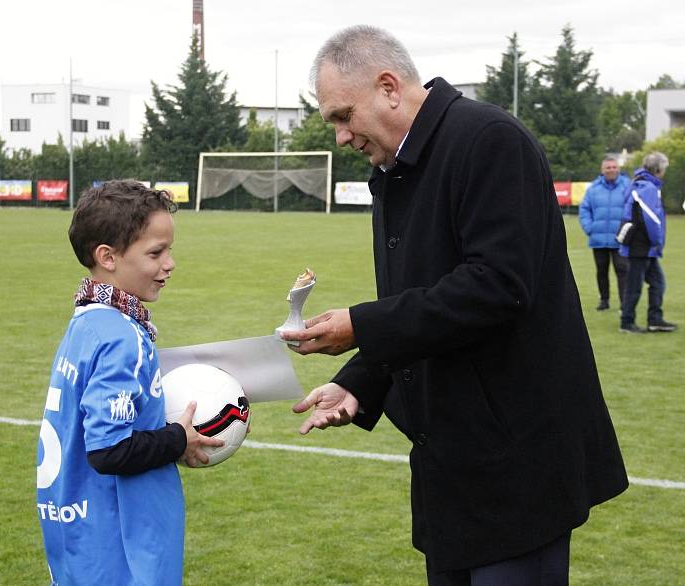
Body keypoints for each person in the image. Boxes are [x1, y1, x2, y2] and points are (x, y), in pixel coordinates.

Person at [280, 25, 628, 585]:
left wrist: (362, 327)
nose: (342, 137)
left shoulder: (488, 139)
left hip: (516, 468)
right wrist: (360, 381)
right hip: (452, 471)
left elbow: (497, 286)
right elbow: (420, 304)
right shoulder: (393, 170)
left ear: (389, 86)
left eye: (343, 115)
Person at [36, 180, 222, 585]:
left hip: (79, 533)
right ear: (107, 256)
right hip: (119, 544)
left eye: (169, 250)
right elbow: (109, 450)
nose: (169, 263)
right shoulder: (121, 336)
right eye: (156, 253)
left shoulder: (85, 322)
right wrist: (178, 439)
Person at [617, 152, 678, 333]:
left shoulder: (639, 183)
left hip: (641, 245)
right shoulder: (648, 188)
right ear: (658, 169)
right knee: (635, 286)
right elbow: (650, 218)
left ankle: (655, 319)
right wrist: (657, 241)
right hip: (642, 245)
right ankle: (627, 322)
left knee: (657, 283)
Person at [579, 157, 630, 310]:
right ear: (602, 170)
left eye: (614, 167)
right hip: (598, 238)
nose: (612, 170)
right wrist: (590, 228)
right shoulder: (593, 189)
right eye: (608, 167)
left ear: (618, 169)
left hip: (620, 238)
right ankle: (604, 300)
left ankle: (624, 304)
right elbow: (584, 210)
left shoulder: (627, 186)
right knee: (601, 271)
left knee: (622, 271)